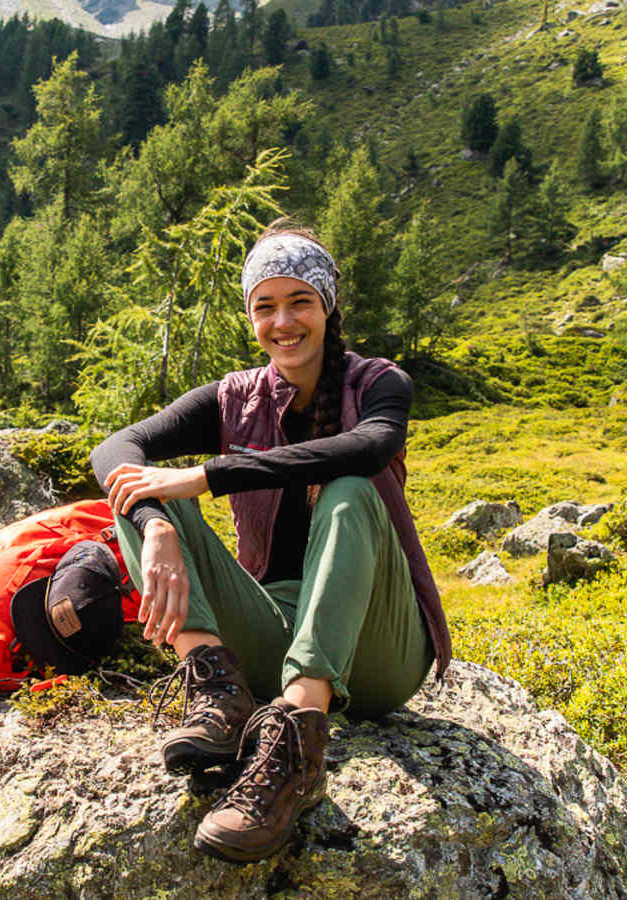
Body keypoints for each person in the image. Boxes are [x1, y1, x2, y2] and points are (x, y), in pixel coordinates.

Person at [89, 220, 452, 864]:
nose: (283, 322)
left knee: (349, 488)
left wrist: (208, 474)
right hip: (269, 632)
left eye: (299, 302)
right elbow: (115, 449)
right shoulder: (234, 398)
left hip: (378, 652)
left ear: (328, 305)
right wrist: (160, 528)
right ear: (250, 316)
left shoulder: (377, 384)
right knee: (135, 488)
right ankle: (219, 692)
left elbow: (369, 447)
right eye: (265, 306)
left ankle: (295, 745)